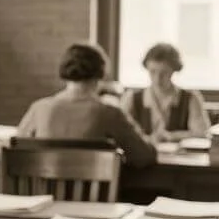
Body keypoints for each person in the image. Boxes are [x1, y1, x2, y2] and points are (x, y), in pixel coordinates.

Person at [15, 42, 157, 168]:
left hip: (43, 195)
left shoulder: (39, 108)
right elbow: (144, 156)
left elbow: (16, 150)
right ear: (101, 73)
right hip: (93, 197)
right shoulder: (109, 113)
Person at [119, 42, 209, 141]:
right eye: (152, 72)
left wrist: (171, 136)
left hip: (180, 156)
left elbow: (202, 133)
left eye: (164, 72)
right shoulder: (131, 98)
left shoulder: (191, 98)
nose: (157, 79)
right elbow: (120, 131)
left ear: (174, 70)